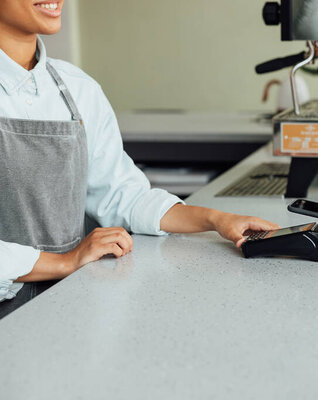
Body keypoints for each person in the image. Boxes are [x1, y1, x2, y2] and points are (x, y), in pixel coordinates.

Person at [0, 0, 279, 312]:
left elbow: (124, 196)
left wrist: (217, 219)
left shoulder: (78, 90)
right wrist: (63, 262)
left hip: (66, 304)